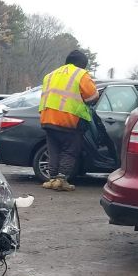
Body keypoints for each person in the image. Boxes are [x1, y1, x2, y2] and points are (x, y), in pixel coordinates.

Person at [38, 49, 99, 191]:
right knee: (69, 150)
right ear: (82, 64)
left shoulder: (50, 75)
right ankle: (61, 180)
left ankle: (52, 179)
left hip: (47, 118)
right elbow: (91, 97)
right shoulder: (80, 74)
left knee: (53, 149)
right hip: (68, 119)